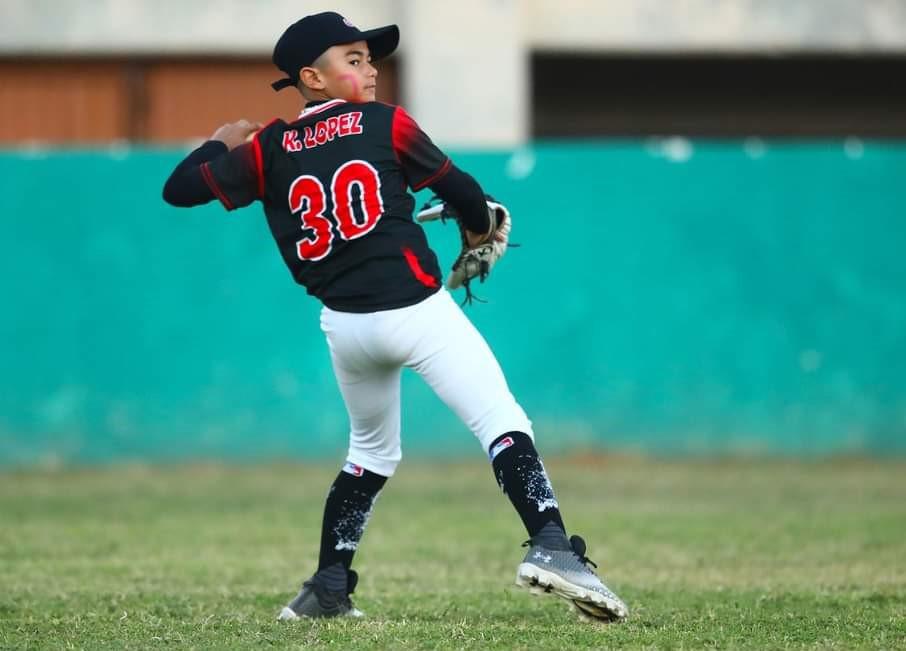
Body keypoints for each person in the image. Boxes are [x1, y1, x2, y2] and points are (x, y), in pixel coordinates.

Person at [162, 11, 628, 623]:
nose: (370, 68)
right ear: (314, 77)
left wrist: (221, 140)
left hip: (346, 327)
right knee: (501, 420)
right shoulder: (385, 124)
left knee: (370, 454)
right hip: (414, 312)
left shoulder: (266, 149)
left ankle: (328, 586)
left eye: (369, 58)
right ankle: (550, 546)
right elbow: (464, 192)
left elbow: (179, 189)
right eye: (352, 60)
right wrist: (479, 228)